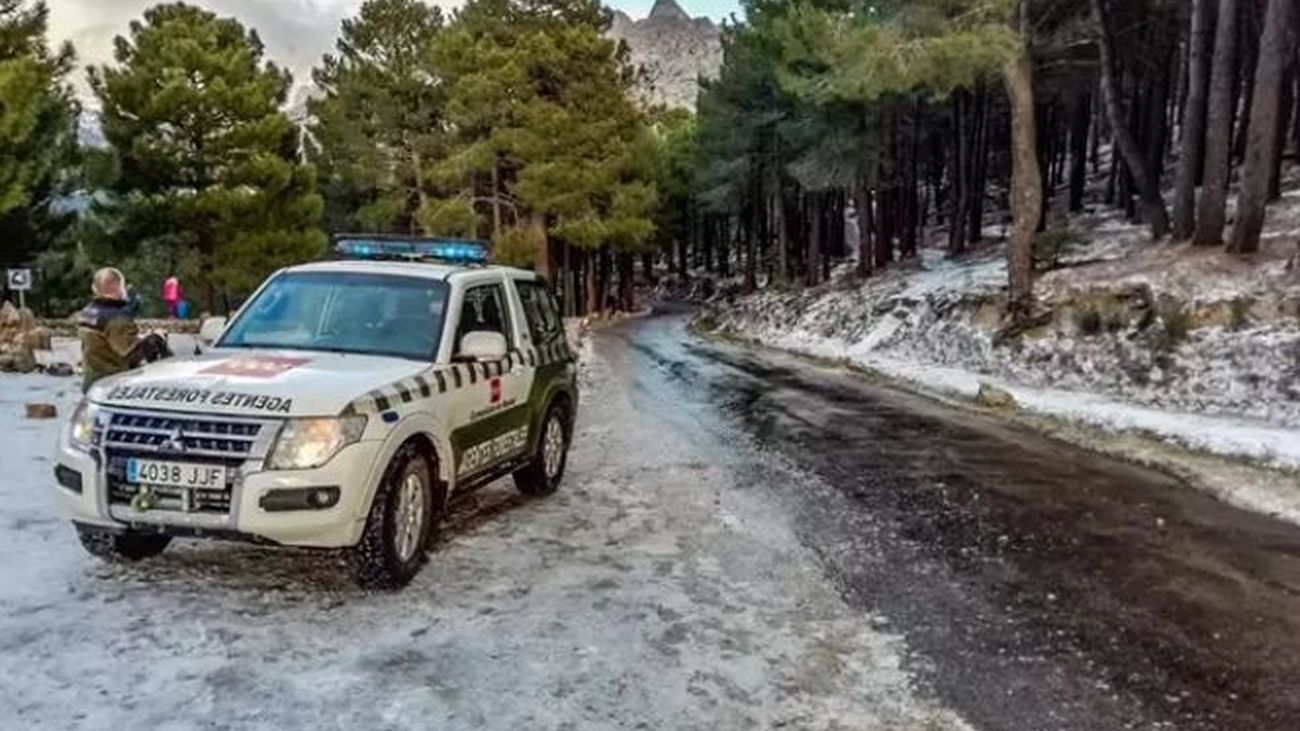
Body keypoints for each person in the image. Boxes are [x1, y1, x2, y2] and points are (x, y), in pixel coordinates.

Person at [78, 267, 170, 392]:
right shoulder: (117, 319)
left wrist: (139, 338)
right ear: (120, 287)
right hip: (112, 384)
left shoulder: (87, 312)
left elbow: (106, 343)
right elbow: (132, 355)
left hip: (91, 381)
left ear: (94, 288)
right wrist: (155, 338)